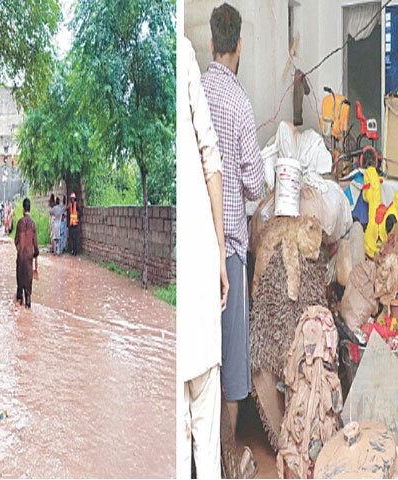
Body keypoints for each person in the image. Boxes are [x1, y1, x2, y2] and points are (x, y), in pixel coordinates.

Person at [200, 2, 264, 444]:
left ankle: (201, 456)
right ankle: (227, 453)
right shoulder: (240, 104)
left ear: (211, 43)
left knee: (204, 358)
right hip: (231, 251)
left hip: (201, 244)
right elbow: (256, 184)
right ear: (238, 45)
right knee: (233, 359)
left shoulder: (195, 92)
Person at [177, 35, 229, 479]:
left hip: (182, 296)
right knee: (206, 448)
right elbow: (213, 161)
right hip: (198, 275)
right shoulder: (182, 51)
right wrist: (219, 253)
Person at [14, 197, 39, 308]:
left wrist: (20, 250)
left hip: (20, 258)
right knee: (28, 292)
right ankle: (27, 310)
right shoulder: (33, 224)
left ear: (23, 209)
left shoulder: (20, 223)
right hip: (29, 259)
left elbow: (16, 240)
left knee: (20, 288)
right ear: (30, 209)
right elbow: (36, 244)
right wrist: (35, 254)